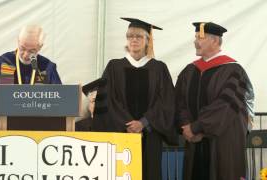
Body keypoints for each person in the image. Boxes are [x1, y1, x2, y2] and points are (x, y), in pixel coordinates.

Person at [92, 17, 178, 180]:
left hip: (151, 134)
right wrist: (129, 124)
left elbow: (166, 101)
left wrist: (144, 123)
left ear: (148, 41)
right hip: (121, 133)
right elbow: (107, 100)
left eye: (139, 36)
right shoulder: (114, 66)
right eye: (130, 36)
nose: (134, 40)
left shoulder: (159, 68)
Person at [175, 22, 254, 180]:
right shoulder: (190, 70)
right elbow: (179, 101)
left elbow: (225, 106)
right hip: (194, 142)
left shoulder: (233, 71)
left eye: (200, 37)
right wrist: (186, 126)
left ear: (215, 41)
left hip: (223, 143)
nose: (195, 41)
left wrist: (196, 127)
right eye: (196, 37)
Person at [0, 25, 62, 130]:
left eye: (32, 51)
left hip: (37, 130)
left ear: (40, 47)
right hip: (3, 130)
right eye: (22, 48)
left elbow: (58, 102)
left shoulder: (45, 67)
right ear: (18, 41)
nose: (25, 55)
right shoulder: (3, 63)